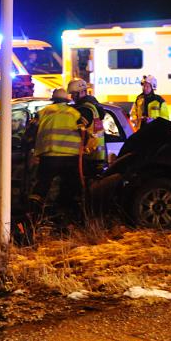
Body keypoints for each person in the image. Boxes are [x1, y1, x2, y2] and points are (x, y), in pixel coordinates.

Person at [27, 88, 84, 230]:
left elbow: (30, 131)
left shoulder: (43, 112)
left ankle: (32, 217)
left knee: (42, 186)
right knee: (68, 188)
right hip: (70, 158)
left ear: (53, 99)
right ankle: (66, 220)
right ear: (66, 100)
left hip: (49, 156)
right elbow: (85, 133)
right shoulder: (74, 113)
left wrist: (28, 145)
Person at [68, 79, 106, 179]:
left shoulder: (85, 110)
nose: (72, 97)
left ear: (82, 92)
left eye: (75, 94)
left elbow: (76, 131)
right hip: (95, 155)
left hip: (87, 155)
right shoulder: (92, 106)